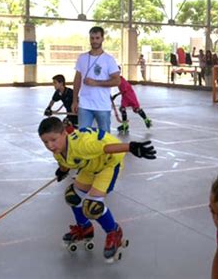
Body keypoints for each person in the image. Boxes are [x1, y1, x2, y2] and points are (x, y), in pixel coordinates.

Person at [38, 117, 156, 261]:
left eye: (53, 140)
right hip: (91, 165)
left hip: (109, 163)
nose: (50, 145)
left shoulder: (82, 145)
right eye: (45, 142)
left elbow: (107, 148)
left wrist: (131, 147)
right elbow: (64, 162)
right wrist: (62, 170)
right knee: (72, 196)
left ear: (64, 134)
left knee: (92, 205)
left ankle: (114, 231)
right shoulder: (58, 150)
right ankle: (85, 228)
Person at [71, 26, 121, 133]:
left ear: (102, 39)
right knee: (83, 137)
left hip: (102, 105)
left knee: (105, 138)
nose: (94, 41)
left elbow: (117, 80)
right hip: (84, 105)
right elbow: (77, 80)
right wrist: (74, 100)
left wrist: (95, 82)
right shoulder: (82, 57)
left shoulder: (109, 59)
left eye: (97, 38)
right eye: (92, 38)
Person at [112, 67, 152, 133]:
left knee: (128, 109)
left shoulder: (121, 80)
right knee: (126, 109)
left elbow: (123, 90)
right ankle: (145, 120)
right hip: (127, 95)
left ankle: (126, 125)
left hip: (129, 95)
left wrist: (115, 95)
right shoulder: (119, 79)